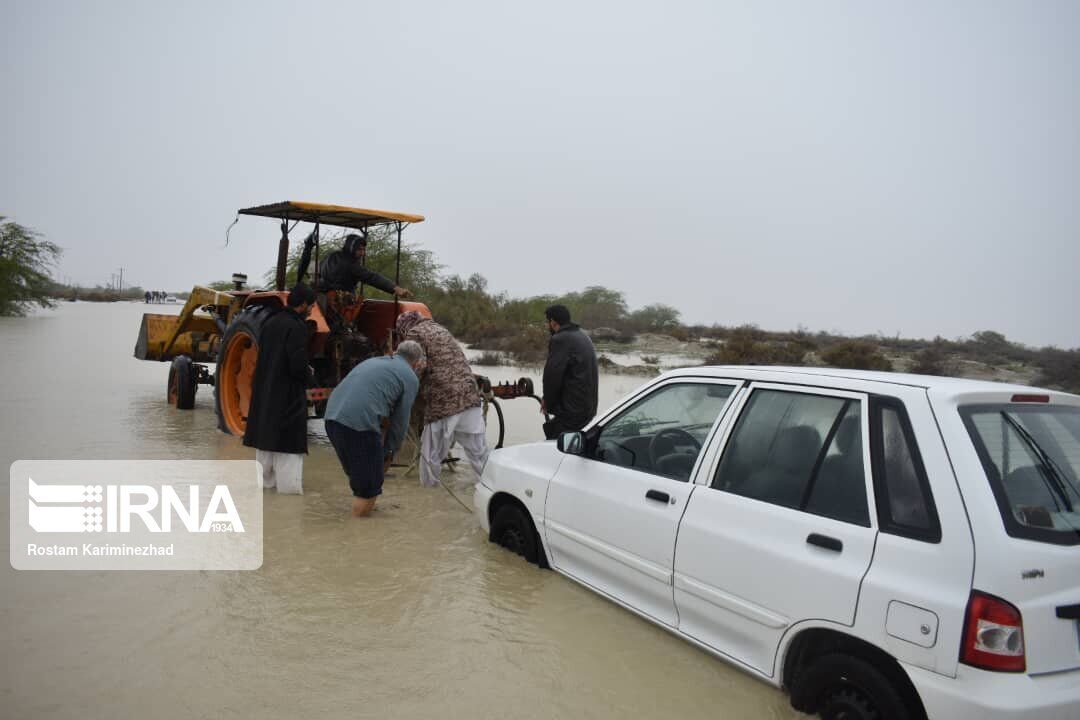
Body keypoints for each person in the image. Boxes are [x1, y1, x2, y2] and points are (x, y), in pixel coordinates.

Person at [324, 340, 424, 517]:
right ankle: (357, 537)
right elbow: (401, 421)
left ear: (395, 351)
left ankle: (364, 511)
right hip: (358, 425)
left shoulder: (375, 361)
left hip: (332, 418)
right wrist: (390, 451)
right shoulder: (410, 377)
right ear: (417, 363)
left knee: (361, 478)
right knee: (368, 488)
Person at [395, 311, 489, 488]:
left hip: (444, 400)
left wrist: (402, 391)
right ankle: (492, 487)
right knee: (478, 451)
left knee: (431, 453)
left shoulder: (415, 333)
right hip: (469, 395)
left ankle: (429, 496)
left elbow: (417, 366)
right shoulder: (440, 329)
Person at [242, 284, 316, 494]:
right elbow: (297, 365)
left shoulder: (270, 322)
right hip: (287, 396)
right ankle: (287, 501)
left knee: (265, 442)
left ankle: (266, 499)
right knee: (288, 448)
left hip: (265, 392)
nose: (311, 310)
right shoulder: (297, 327)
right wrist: (310, 377)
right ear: (302, 305)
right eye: (310, 305)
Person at [541, 304, 599, 440]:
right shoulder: (583, 336)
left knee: (555, 448)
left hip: (572, 412)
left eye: (547, 322)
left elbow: (552, 376)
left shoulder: (560, 339)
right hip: (588, 409)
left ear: (553, 322)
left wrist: (547, 401)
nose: (547, 326)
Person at [316, 233, 412, 298]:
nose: (363, 253)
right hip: (337, 302)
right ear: (351, 248)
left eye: (363, 250)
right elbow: (371, 277)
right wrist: (395, 288)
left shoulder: (332, 255)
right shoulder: (351, 265)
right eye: (360, 250)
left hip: (320, 295)